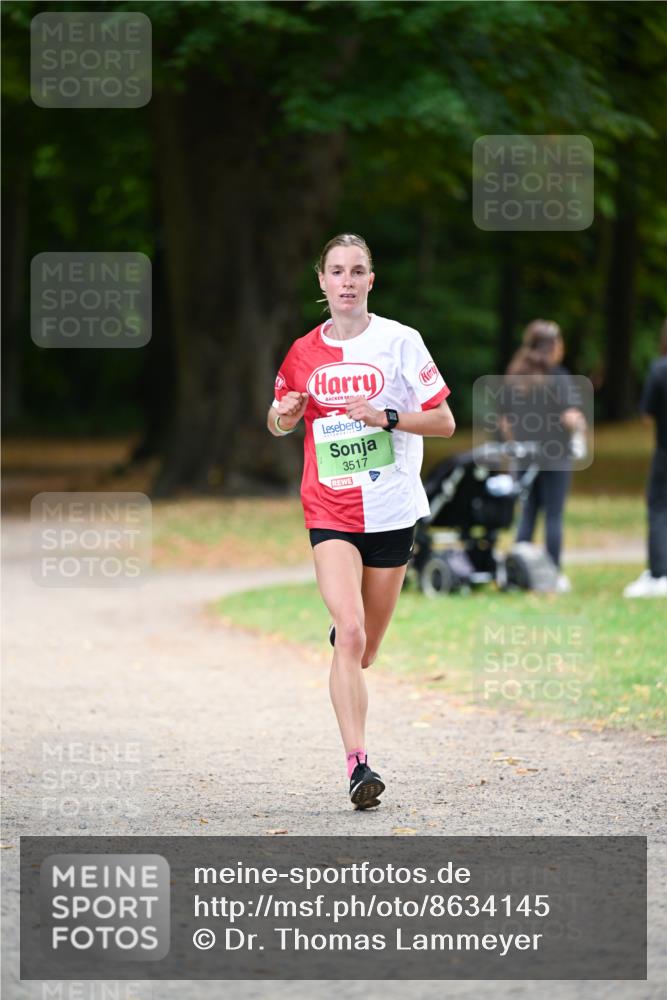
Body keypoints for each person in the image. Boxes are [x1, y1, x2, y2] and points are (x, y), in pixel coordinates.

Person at [267, 233, 455, 809]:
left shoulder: (401, 342)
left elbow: (445, 421)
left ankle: (348, 647)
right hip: (330, 508)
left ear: (371, 280)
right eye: (336, 271)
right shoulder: (303, 352)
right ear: (321, 282)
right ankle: (359, 767)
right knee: (349, 631)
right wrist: (284, 414)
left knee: (365, 648)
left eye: (357, 271)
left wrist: (388, 415)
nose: (346, 280)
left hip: (393, 511)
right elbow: (277, 419)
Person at [500, 319, 587, 593]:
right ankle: (553, 574)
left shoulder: (515, 375)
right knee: (553, 516)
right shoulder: (559, 377)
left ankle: (515, 572)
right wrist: (580, 429)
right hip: (555, 456)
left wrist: (517, 447)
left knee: (527, 514)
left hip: (525, 456)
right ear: (553, 345)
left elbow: (505, 420)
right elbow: (571, 417)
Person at [624, 319, 667, 598]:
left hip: (665, 451)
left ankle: (660, 573)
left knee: (658, 509)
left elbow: (646, 415)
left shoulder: (659, 369)